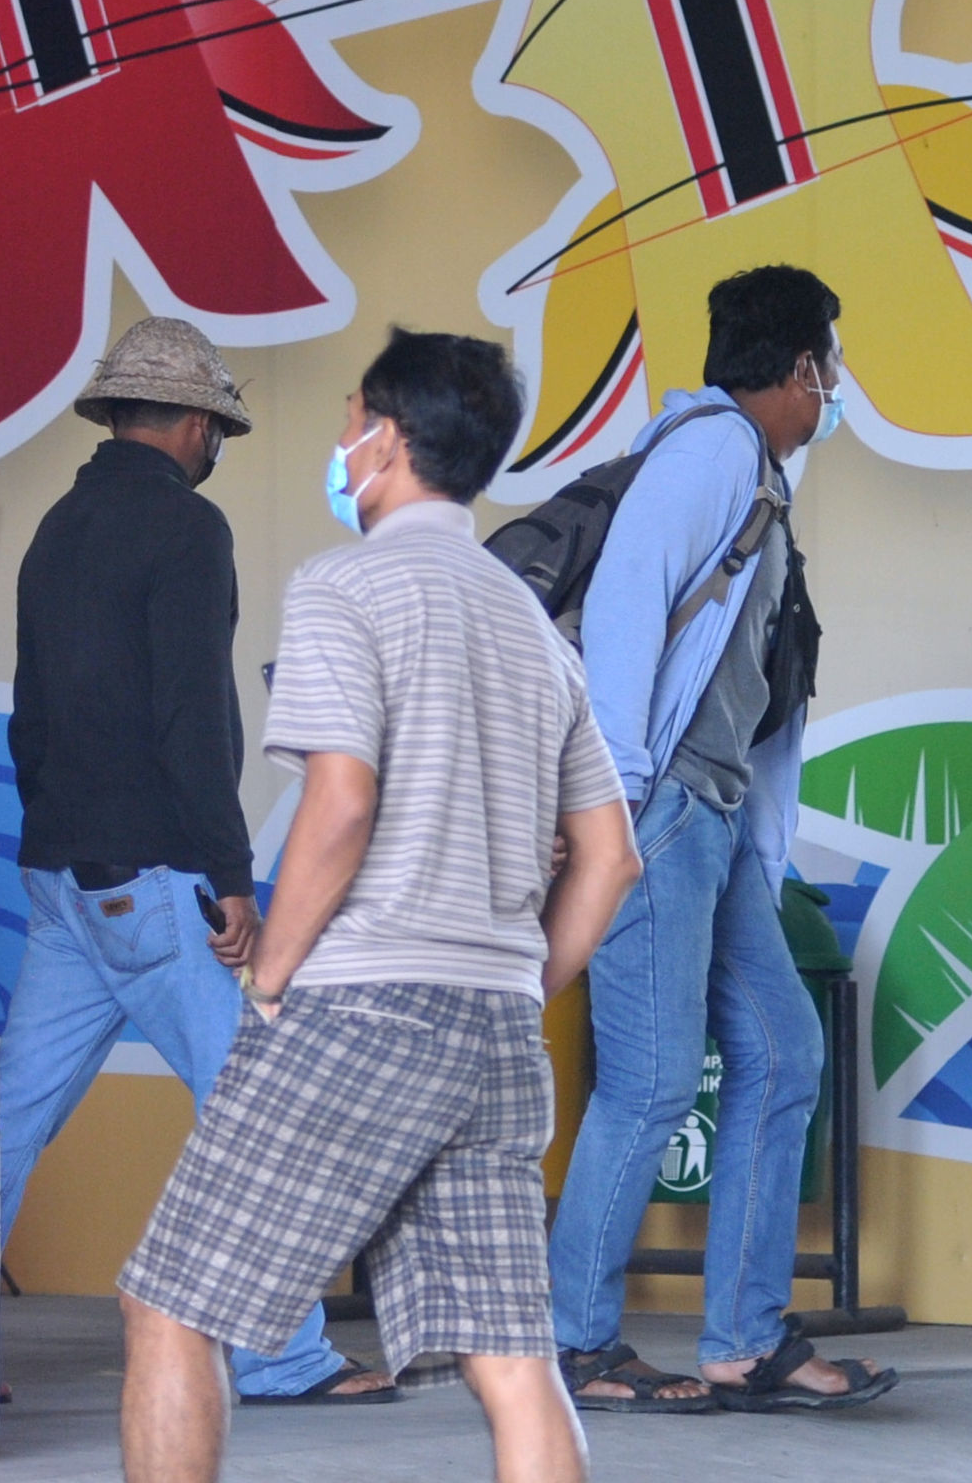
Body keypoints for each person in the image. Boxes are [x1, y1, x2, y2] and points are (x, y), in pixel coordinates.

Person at [117, 329, 642, 1483]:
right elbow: (610, 858)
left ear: (388, 439)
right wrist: (517, 981)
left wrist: (269, 972)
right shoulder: (532, 625)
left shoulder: (345, 584)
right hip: (496, 1033)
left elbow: (341, 801)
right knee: (512, 1357)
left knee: (172, 1303)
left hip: (363, 1008)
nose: (340, 437)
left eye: (350, 416)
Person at [0, 317, 393, 1409]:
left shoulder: (57, 526)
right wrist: (227, 875)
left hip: (61, 876)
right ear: (190, 425)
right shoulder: (185, 527)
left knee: (3, 1125)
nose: (213, 445)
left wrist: (64, 838)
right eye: (214, 428)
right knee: (257, 1111)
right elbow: (193, 718)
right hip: (151, 880)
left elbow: (30, 719)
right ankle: (281, 1355)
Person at [542, 265, 885, 1416]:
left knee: (783, 1051)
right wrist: (615, 808)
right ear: (798, 368)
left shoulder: (756, 471)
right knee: (647, 1081)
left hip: (714, 819)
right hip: (658, 812)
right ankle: (572, 1343)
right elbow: (625, 610)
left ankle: (744, 1339)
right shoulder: (708, 454)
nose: (834, 385)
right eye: (829, 363)